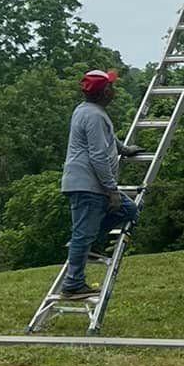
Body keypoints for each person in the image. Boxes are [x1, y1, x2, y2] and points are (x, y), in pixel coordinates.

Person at [59, 69, 139, 299]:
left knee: (128, 209)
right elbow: (97, 155)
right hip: (88, 185)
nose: (114, 90)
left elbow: (107, 140)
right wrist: (111, 189)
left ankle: (89, 246)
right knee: (82, 234)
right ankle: (73, 284)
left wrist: (123, 149)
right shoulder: (93, 115)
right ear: (105, 91)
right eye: (111, 86)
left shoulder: (87, 111)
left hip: (91, 185)